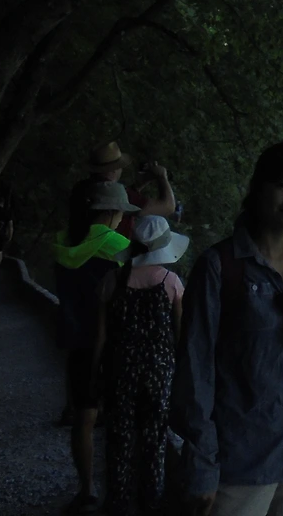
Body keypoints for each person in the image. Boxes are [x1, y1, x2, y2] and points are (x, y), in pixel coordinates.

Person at [172, 141, 283, 516]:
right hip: (241, 458)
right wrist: (202, 463)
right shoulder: (219, 266)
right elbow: (195, 366)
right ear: (259, 188)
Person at [94, 215, 189, 516]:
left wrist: (93, 371)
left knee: (118, 439)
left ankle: (118, 502)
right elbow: (180, 336)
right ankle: (152, 502)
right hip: (159, 377)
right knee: (155, 441)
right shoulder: (170, 283)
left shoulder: (112, 280)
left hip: (119, 372)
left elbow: (101, 335)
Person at [55, 180, 137, 515]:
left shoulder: (61, 242)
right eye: (120, 212)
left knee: (84, 417)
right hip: (113, 344)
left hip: (76, 341)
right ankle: (121, 490)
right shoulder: (118, 246)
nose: (122, 218)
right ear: (110, 212)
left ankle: (86, 489)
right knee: (121, 418)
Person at [70, 141, 176, 242]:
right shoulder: (113, 196)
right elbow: (168, 207)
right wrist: (162, 177)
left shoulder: (82, 187)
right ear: (114, 169)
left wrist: (143, 181)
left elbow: (124, 197)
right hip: (108, 255)